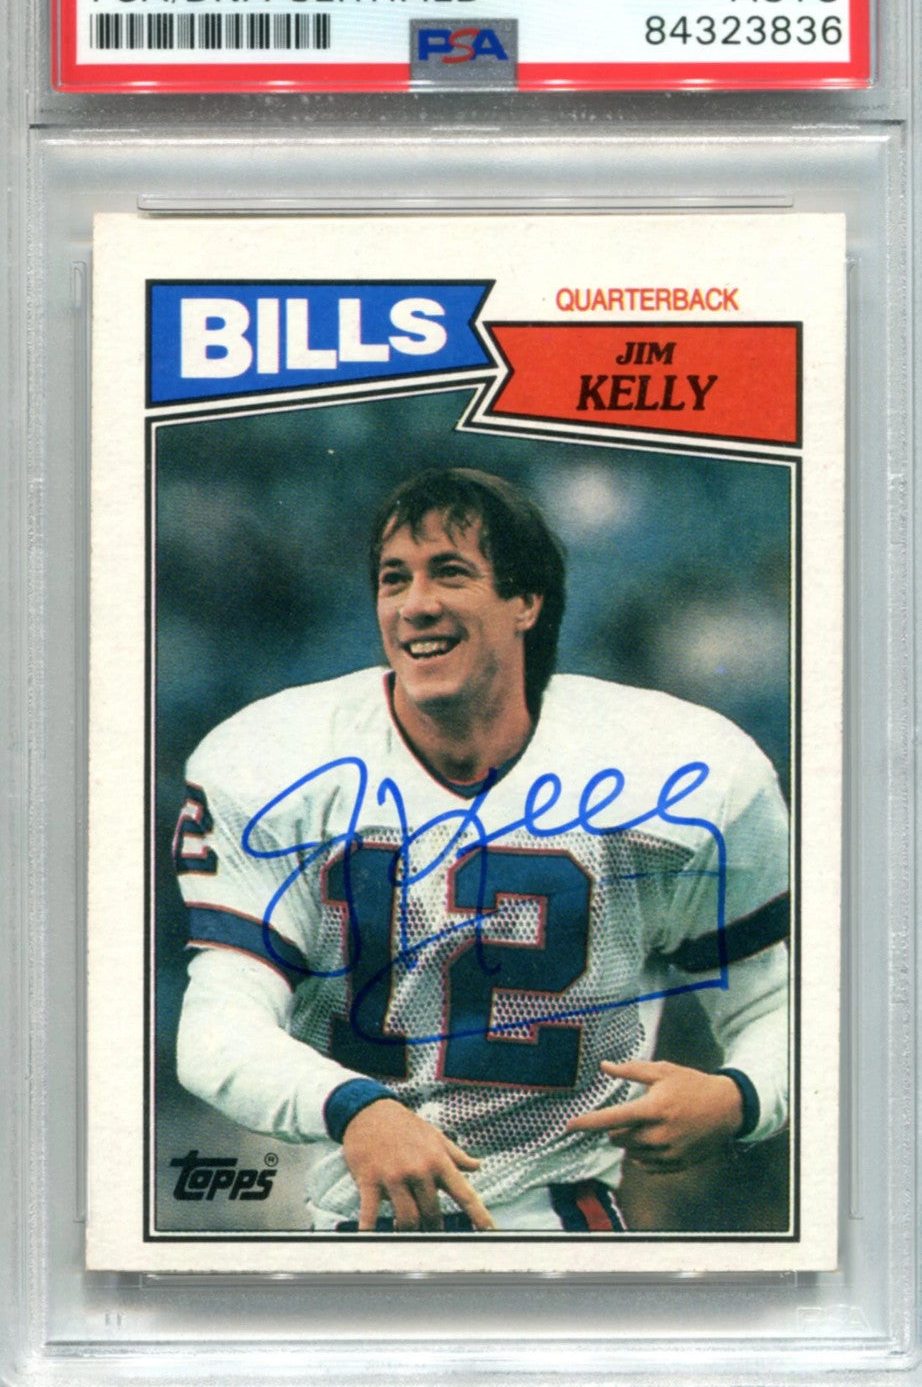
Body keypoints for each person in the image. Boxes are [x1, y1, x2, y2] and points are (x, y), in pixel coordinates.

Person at [172, 467, 790, 1234]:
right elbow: (215, 1029)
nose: (415, 603)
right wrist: (354, 1106)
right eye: (394, 579)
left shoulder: (681, 765)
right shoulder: (278, 759)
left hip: (562, 1234)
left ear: (527, 600)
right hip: (354, 1232)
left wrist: (739, 1097)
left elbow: (784, 1004)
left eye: (450, 573)